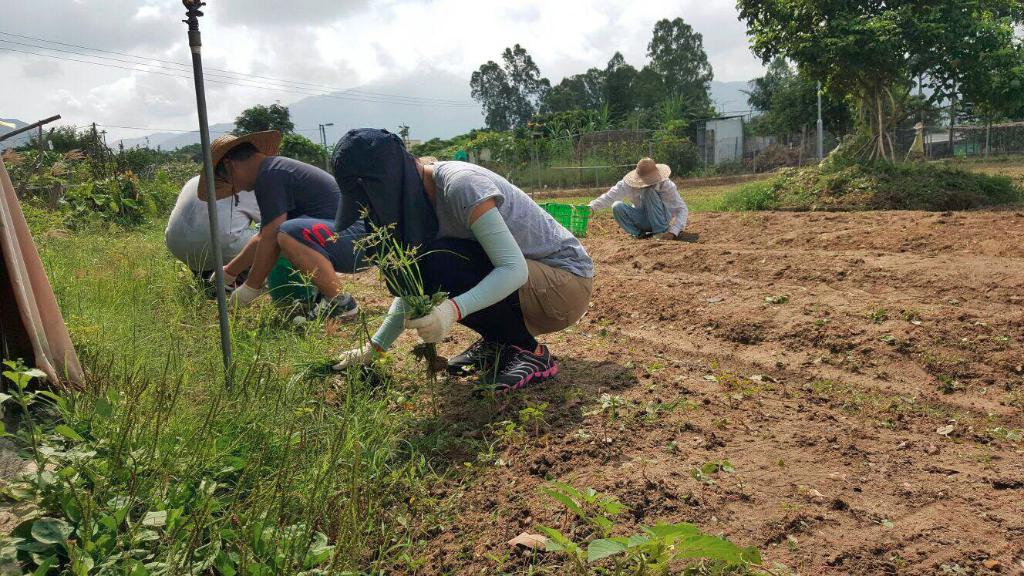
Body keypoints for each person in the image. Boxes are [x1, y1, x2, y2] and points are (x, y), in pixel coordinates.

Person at [331, 128, 594, 393]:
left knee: (441, 259)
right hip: (533, 288)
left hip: (565, 285)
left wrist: (450, 311)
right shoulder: (417, 205)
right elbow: (414, 283)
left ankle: (531, 353)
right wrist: (374, 347)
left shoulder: (460, 186)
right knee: (429, 261)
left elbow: (513, 269)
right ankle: (500, 343)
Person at [197, 131, 366, 318]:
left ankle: (340, 302)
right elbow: (263, 236)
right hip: (347, 238)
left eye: (231, 182)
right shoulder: (272, 171)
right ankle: (326, 298)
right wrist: (230, 272)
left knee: (287, 233)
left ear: (230, 165)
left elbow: (272, 234)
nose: (237, 189)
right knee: (284, 233)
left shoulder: (271, 175)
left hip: (357, 240)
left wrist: (250, 287)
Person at [165, 174, 259, 287]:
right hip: (215, 247)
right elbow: (268, 225)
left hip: (176, 245)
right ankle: (238, 280)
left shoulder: (194, 180)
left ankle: (205, 277)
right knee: (268, 235)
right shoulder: (246, 186)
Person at [588, 157, 688, 240]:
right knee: (616, 206)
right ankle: (639, 234)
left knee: (648, 192)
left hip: (661, 219)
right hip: (641, 219)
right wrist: (591, 207)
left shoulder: (666, 185)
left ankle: (660, 232)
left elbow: (682, 209)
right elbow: (610, 197)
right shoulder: (626, 184)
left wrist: (673, 232)